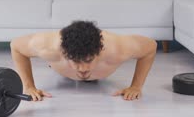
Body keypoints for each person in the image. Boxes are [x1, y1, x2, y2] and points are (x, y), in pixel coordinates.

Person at [10, 21, 157, 101]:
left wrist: (136, 87)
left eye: (88, 60)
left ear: (100, 51)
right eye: (75, 60)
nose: (82, 68)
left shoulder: (118, 48)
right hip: (60, 67)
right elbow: (16, 46)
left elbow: (151, 47)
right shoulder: (48, 46)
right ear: (64, 53)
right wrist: (29, 87)